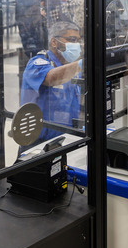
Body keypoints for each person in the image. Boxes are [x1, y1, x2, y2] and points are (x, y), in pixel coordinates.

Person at [19, 21, 83, 152]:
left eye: (78, 40)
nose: (77, 45)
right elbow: (51, 78)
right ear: (54, 42)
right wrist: (82, 64)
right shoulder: (38, 63)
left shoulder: (73, 67)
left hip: (68, 138)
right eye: (72, 39)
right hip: (39, 145)